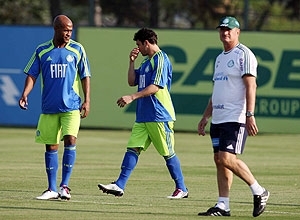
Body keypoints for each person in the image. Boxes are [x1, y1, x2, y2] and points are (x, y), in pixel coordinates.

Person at [98, 28, 188, 199]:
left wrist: (132, 97)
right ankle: (119, 185)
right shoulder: (146, 62)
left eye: (139, 44)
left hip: (159, 115)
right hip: (144, 115)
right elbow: (132, 81)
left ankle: (182, 188)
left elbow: (156, 87)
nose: (138, 48)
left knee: (167, 152)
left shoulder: (161, 59)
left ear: (147, 43)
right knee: (132, 148)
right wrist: (131, 62)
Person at [197, 16, 269, 217]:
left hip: (234, 117)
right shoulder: (220, 58)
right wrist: (205, 116)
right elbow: (216, 90)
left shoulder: (244, 55)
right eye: (222, 29)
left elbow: (251, 86)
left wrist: (250, 114)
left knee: (227, 158)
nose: (225, 32)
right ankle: (223, 204)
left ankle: (259, 190)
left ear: (238, 32)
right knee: (219, 160)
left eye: (229, 29)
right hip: (218, 118)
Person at [19, 15, 91, 200]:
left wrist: (87, 100)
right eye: (65, 29)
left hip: (71, 106)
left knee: (70, 140)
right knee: (51, 146)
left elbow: (85, 76)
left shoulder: (77, 49)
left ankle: (64, 186)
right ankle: (51, 189)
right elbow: (32, 74)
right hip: (49, 107)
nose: (69, 33)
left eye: (71, 30)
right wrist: (25, 93)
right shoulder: (42, 50)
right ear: (56, 29)